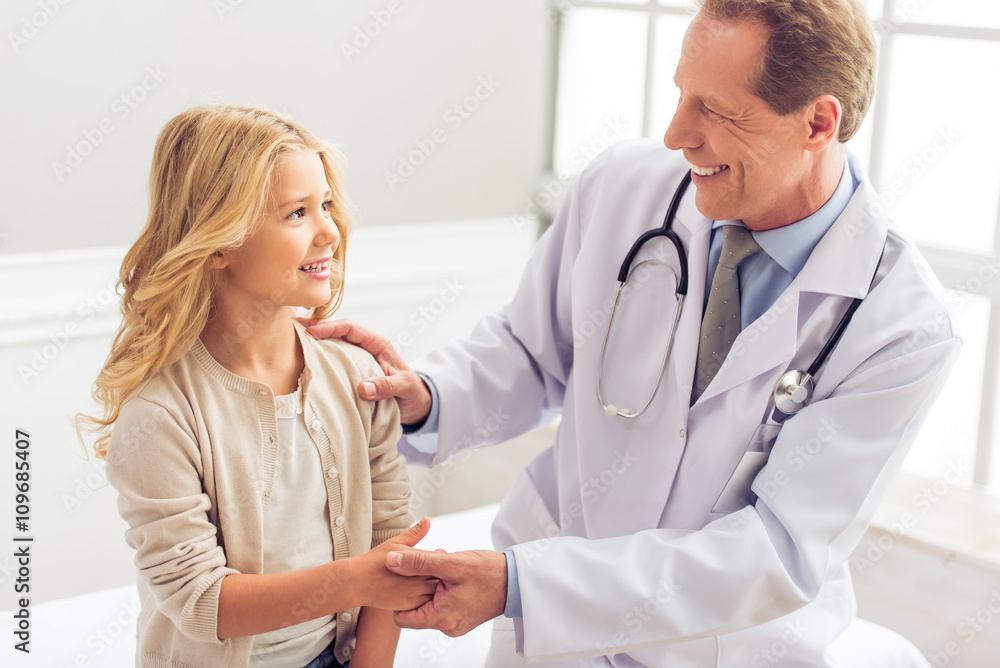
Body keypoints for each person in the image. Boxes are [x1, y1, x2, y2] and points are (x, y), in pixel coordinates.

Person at [306, 0, 963, 666]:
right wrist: (429, 396)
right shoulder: (626, 187)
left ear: (819, 122)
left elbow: (774, 550)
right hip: (553, 636)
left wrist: (521, 583)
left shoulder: (901, 324)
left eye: (715, 110)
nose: (678, 132)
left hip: (716, 649)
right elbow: (532, 351)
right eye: (681, 94)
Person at [77, 105, 437, 668]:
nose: (329, 231)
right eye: (296, 213)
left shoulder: (359, 379)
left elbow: (389, 545)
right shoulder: (161, 414)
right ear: (219, 243)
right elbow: (201, 601)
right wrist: (358, 582)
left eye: (325, 205)